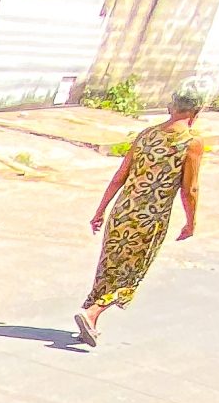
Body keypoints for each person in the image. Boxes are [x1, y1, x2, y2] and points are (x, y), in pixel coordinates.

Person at [76, 92, 204, 346]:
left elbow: (119, 175)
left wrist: (101, 210)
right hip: (149, 218)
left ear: (171, 107)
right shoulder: (191, 142)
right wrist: (191, 223)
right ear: (196, 112)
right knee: (132, 273)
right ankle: (91, 313)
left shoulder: (146, 134)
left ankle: (90, 317)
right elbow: (190, 189)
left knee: (109, 267)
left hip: (122, 212)